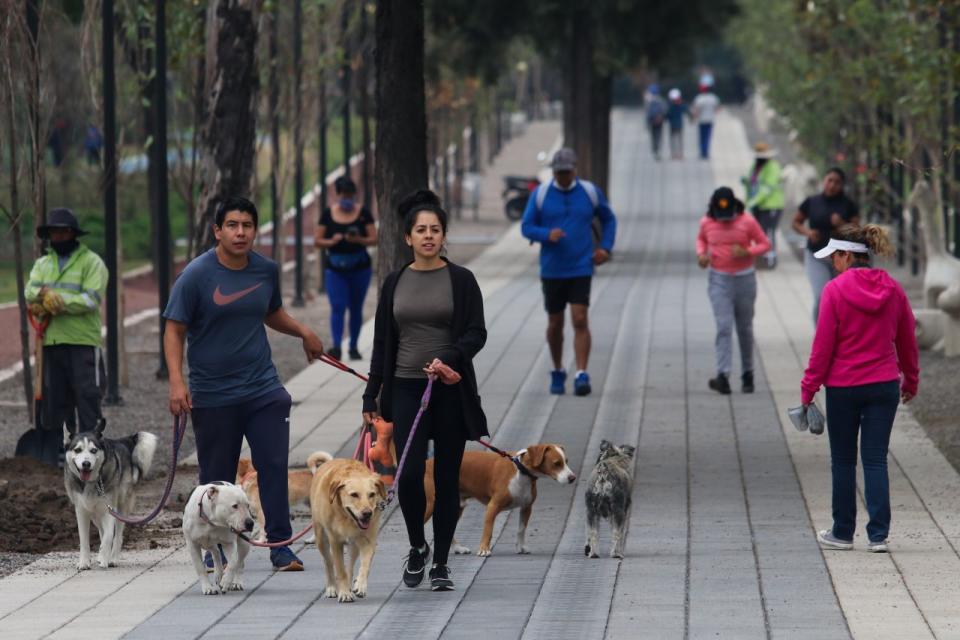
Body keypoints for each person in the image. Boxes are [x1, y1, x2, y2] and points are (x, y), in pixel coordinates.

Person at [163, 196, 325, 572]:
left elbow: (270, 311)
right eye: (232, 225)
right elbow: (174, 330)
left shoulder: (265, 270)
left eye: (247, 226)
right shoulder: (196, 276)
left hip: (262, 388)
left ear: (255, 230)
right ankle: (214, 547)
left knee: (273, 465)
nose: (240, 232)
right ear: (217, 230)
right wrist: (176, 382)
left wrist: (303, 331)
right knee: (216, 479)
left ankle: (280, 545)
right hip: (213, 394)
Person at [361, 189, 487, 592]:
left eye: (435, 230)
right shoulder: (395, 282)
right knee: (411, 474)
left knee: (448, 479)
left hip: (449, 388)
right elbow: (383, 342)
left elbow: (476, 333)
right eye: (421, 230)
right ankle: (418, 546)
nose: (428, 236)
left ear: (444, 236)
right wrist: (372, 395)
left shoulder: (462, 281)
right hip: (405, 387)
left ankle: (443, 563)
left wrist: (450, 358)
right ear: (408, 238)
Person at [800, 224, 918, 553]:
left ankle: (842, 532)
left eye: (834, 258)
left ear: (847, 255)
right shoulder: (893, 290)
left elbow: (822, 348)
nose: (832, 264)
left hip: (843, 387)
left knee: (843, 461)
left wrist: (808, 388)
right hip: (883, 385)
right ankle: (878, 535)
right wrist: (911, 378)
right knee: (876, 460)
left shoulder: (835, 292)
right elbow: (907, 338)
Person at [520, 147, 617, 396]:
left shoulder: (589, 192)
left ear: (575, 169)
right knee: (555, 322)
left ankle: (581, 373)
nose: (563, 176)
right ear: (554, 171)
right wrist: (546, 235)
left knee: (580, 318)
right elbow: (527, 226)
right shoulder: (541, 194)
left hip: (581, 265)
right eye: (559, 172)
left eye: (567, 171)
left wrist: (605, 247)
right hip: (552, 269)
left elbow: (608, 218)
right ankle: (557, 369)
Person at [25, 208, 108, 465]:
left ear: (73, 234)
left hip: (83, 342)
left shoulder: (92, 263)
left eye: (63, 232)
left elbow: (91, 298)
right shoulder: (42, 264)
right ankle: (61, 457)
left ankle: (93, 457)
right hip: (51, 342)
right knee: (55, 402)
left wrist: (60, 302)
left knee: (87, 399)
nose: (58, 237)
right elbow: (30, 291)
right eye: (54, 233)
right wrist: (42, 297)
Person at [697, 187, 770, 395]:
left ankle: (748, 373)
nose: (725, 220)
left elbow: (765, 243)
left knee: (744, 328)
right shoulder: (706, 222)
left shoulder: (747, 221)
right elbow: (701, 239)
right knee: (723, 327)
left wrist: (748, 251)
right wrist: (701, 254)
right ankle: (723, 375)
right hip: (719, 279)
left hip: (744, 279)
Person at [314, 175, 377, 361]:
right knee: (338, 306)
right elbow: (317, 241)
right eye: (344, 195)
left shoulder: (364, 213)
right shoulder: (327, 214)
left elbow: (374, 238)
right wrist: (331, 241)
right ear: (338, 194)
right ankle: (336, 346)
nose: (347, 199)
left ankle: (354, 346)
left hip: (360, 268)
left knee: (356, 307)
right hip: (335, 268)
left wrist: (359, 240)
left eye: (350, 195)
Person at [791, 167, 860, 322]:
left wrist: (841, 223)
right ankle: (820, 334)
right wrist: (807, 232)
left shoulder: (848, 204)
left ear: (842, 185)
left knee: (841, 298)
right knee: (821, 295)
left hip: (841, 259)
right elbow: (795, 222)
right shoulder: (812, 202)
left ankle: (839, 332)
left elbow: (856, 231)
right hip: (816, 255)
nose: (832, 185)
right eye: (830, 180)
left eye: (837, 182)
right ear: (824, 180)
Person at [742, 142, 785, 268]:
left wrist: (754, 201)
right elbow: (751, 183)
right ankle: (761, 257)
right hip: (758, 206)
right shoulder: (755, 166)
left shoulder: (773, 167)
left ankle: (770, 259)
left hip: (771, 205)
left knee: (769, 232)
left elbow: (767, 188)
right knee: (759, 233)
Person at [691, 82, 720, 160]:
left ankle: (702, 152)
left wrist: (693, 118)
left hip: (702, 120)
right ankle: (706, 152)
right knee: (708, 137)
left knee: (701, 137)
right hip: (710, 120)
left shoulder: (699, 98)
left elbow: (696, 110)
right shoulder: (713, 98)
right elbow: (717, 109)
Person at [644, 84, 668, 160]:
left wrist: (647, 123)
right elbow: (664, 110)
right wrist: (662, 117)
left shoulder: (649, 101)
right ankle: (658, 149)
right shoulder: (661, 100)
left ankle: (655, 149)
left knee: (653, 136)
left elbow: (647, 112)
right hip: (659, 120)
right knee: (658, 135)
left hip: (652, 121)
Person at [666, 88, 688, 160]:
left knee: (674, 140)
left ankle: (674, 154)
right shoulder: (680, 105)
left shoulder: (670, 106)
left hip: (673, 125)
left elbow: (667, 115)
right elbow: (686, 110)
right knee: (679, 140)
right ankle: (679, 154)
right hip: (679, 125)